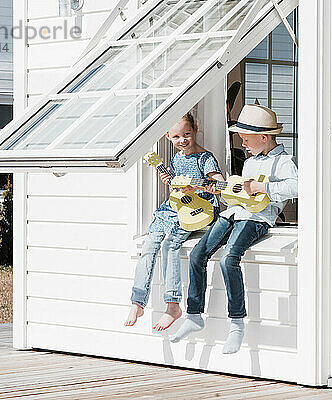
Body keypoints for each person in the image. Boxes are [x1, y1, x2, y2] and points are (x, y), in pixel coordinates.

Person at [170, 104, 298, 353]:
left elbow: (298, 187)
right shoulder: (249, 163)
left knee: (229, 259)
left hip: (257, 219)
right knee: (198, 254)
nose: (243, 144)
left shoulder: (284, 162)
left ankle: (237, 325)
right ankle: (194, 315)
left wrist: (263, 189)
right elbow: (235, 197)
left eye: (246, 139)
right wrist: (209, 189)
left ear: (263, 137)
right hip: (235, 214)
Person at [124, 112, 224, 331]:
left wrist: (195, 186)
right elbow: (178, 189)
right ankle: (137, 301)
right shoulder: (176, 158)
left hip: (198, 209)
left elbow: (219, 185)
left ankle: (172, 304)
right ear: (168, 136)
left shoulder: (205, 158)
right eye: (176, 137)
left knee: (171, 244)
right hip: (175, 207)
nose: (182, 141)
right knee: (150, 244)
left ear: (195, 129)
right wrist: (172, 182)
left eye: (186, 134)